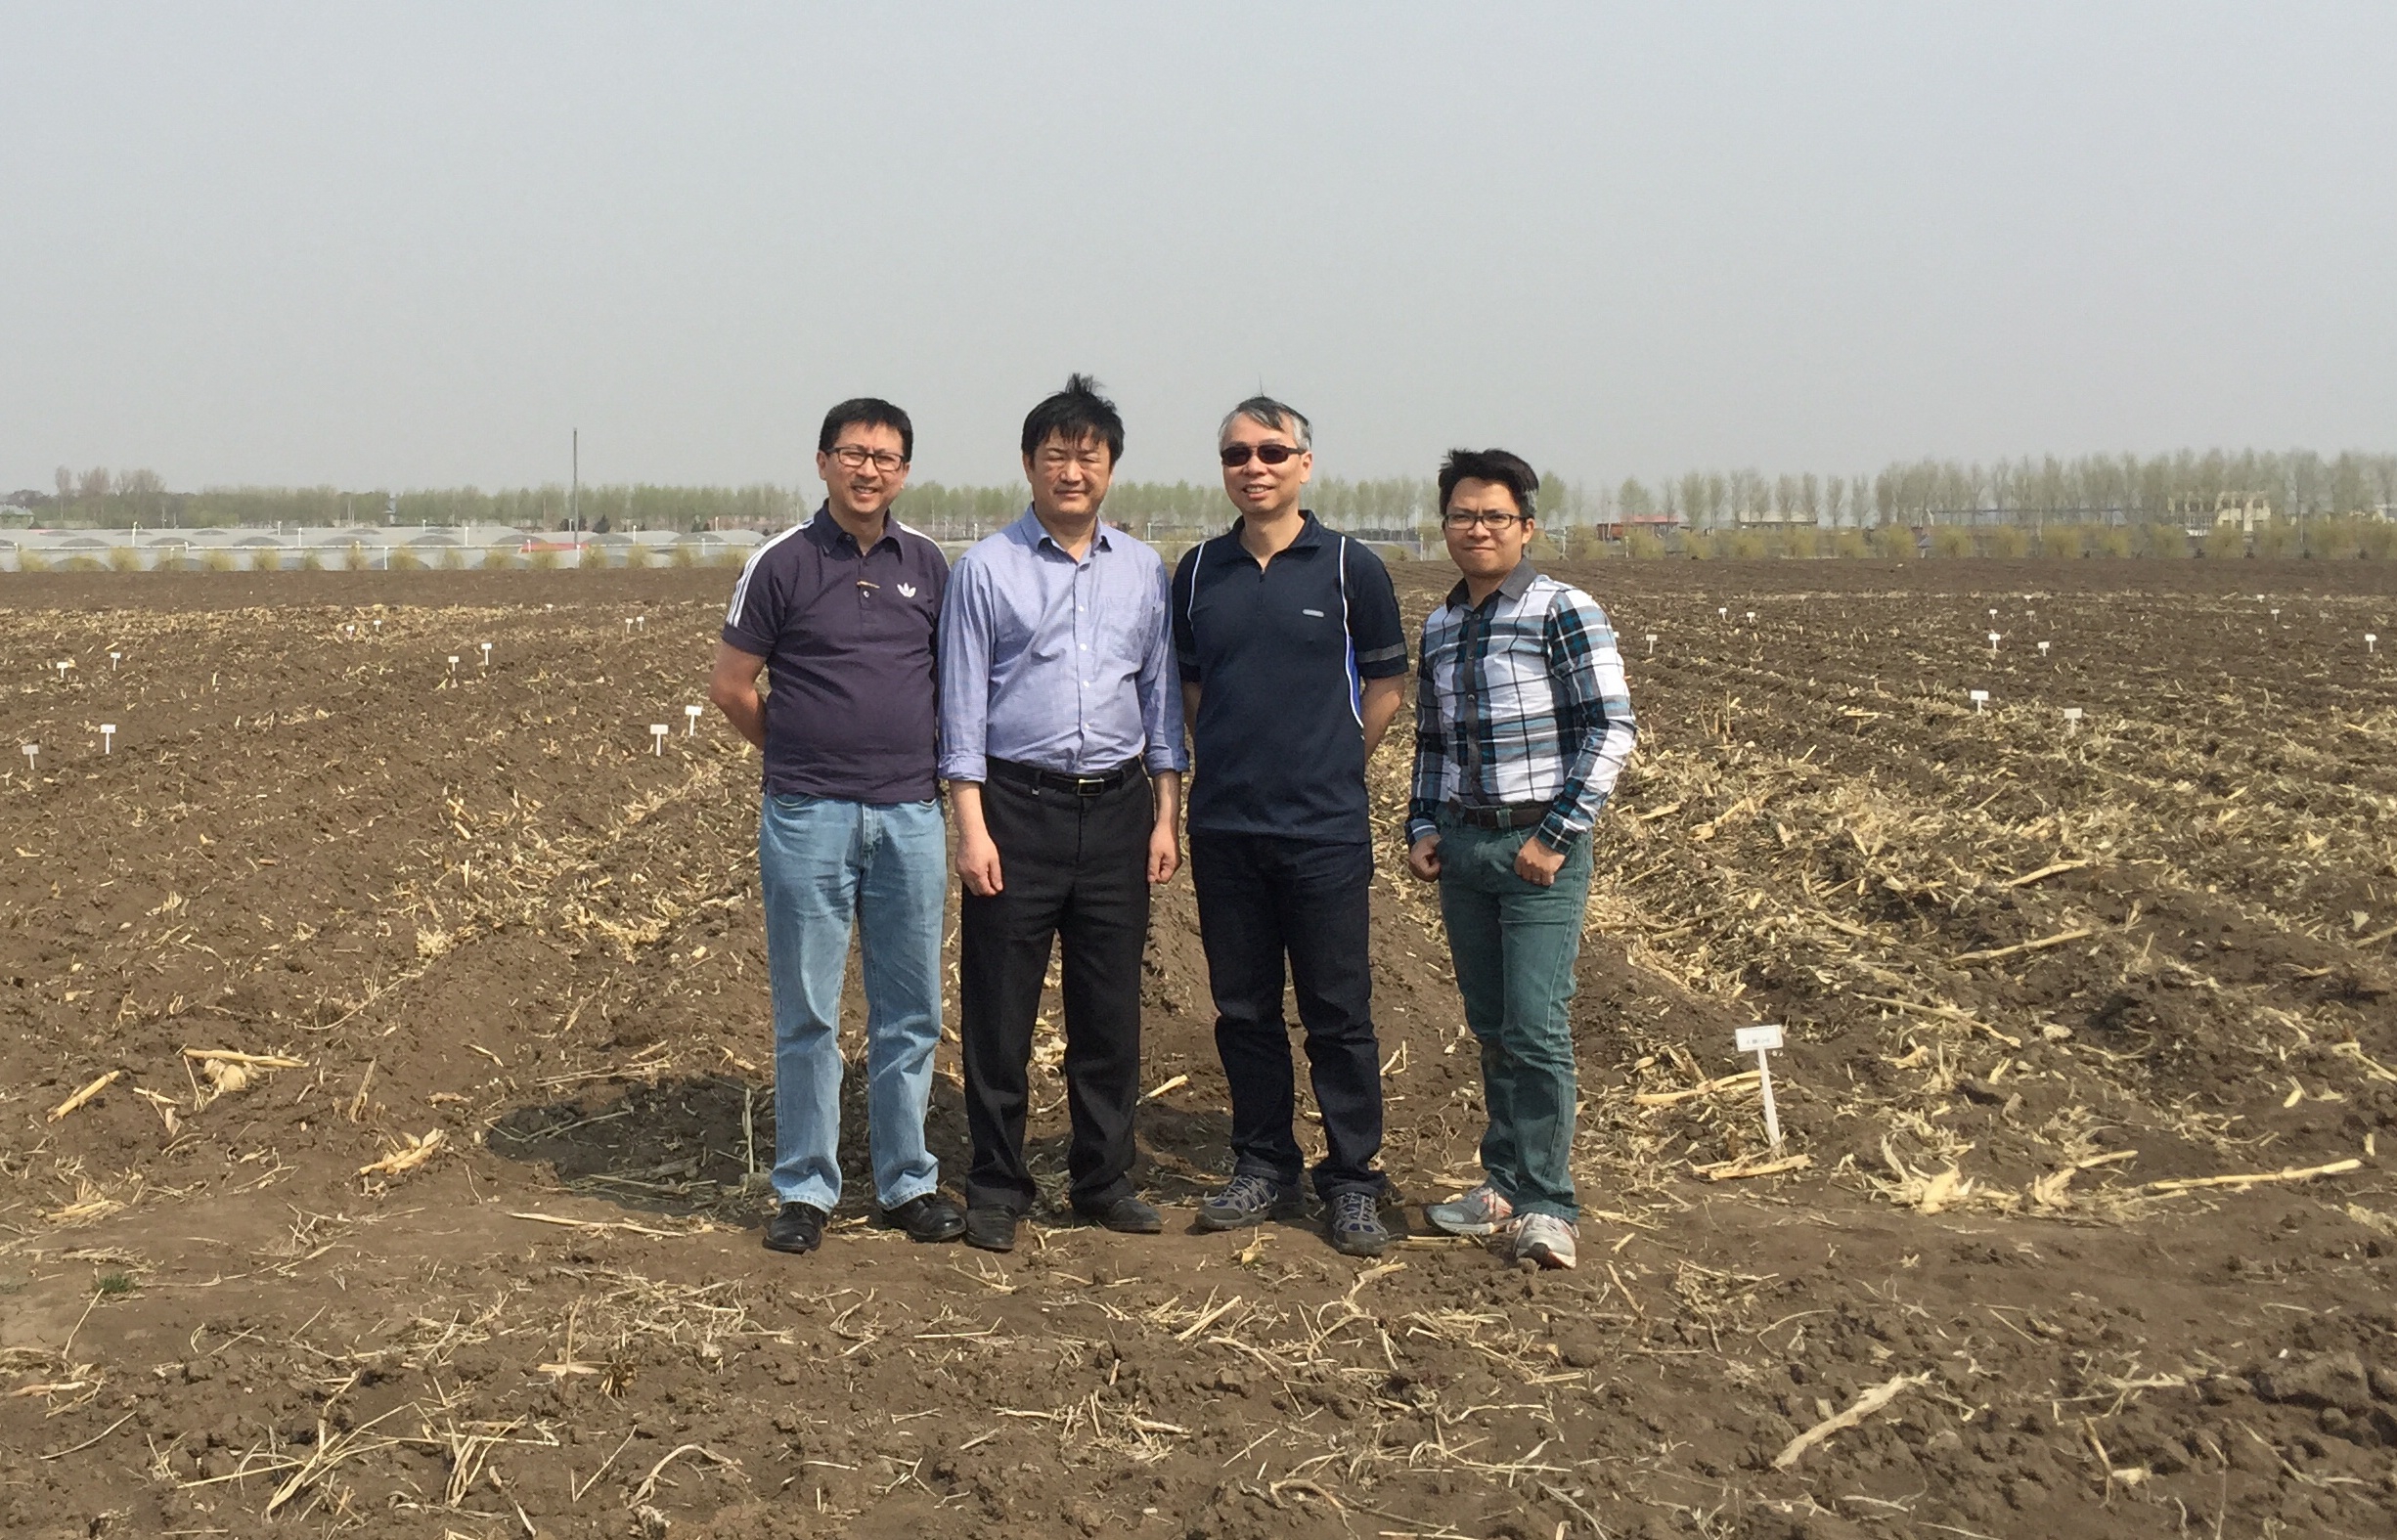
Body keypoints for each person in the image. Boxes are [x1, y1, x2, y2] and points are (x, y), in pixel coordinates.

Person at [710, 398, 963, 1256]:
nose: (869, 469)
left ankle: (907, 1181)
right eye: (853, 453)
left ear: (903, 472)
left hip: (909, 816)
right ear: (822, 462)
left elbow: (954, 684)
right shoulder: (780, 563)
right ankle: (805, 1188)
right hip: (807, 815)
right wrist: (796, 753)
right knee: (808, 1010)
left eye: (886, 457)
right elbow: (733, 685)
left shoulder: (930, 566)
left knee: (910, 1010)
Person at [939, 374, 1186, 1254]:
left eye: (1088, 456)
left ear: (1110, 467)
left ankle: (1102, 1177)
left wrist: (1165, 813)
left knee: (1108, 1007)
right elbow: (961, 711)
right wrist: (970, 826)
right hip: (1017, 806)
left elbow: (1159, 704)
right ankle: (997, 1182)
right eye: (1056, 455)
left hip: (1118, 807)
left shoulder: (1142, 572)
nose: (1072, 471)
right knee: (1000, 1011)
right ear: (1028, 464)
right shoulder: (984, 570)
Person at [1172, 397, 1409, 1257]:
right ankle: (1262, 1160)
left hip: (1324, 830)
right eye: (1236, 453)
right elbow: (1193, 691)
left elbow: (1383, 688)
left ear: (1304, 463)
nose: (1254, 466)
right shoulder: (1198, 571)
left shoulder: (1351, 568)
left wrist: (1332, 759)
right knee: (1242, 1009)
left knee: (1338, 1011)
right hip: (1228, 827)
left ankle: (1351, 1179)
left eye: (1272, 451)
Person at [1405, 449, 1636, 1271]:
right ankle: (1500, 1182)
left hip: (1538, 846)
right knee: (1493, 1026)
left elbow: (1611, 728)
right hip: (1466, 845)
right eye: (1463, 515)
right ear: (1445, 527)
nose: (1477, 529)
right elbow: (1431, 741)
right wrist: (1421, 825)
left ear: (1526, 526)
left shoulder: (1560, 610)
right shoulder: (1441, 625)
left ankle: (1548, 1204)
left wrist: (1555, 835)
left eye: (1495, 516)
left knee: (1536, 1027)